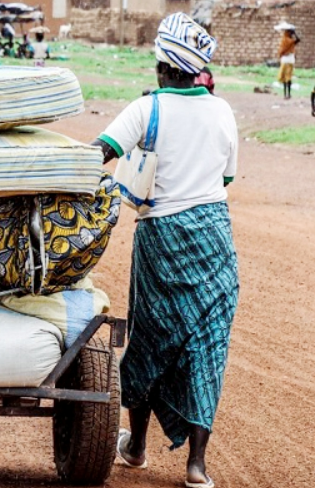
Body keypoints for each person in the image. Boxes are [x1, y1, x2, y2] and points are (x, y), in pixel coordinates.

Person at [91, 13, 238, 488]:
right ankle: (196, 465)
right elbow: (226, 178)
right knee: (206, 348)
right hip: (215, 238)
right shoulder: (223, 111)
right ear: (195, 69)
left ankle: (135, 447)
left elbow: (99, 152)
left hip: (162, 238)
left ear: (161, 64)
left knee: (151, 343)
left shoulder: (148, 108)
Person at [276, 24, 300, 100]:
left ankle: (285, 94)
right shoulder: (291, 41)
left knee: (284, 77)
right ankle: (288, 94)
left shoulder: (284, 40)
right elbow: (298, 40)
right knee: (288, 77)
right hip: (290, 60)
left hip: (285, 60)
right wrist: (295, 33)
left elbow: (281, 50)